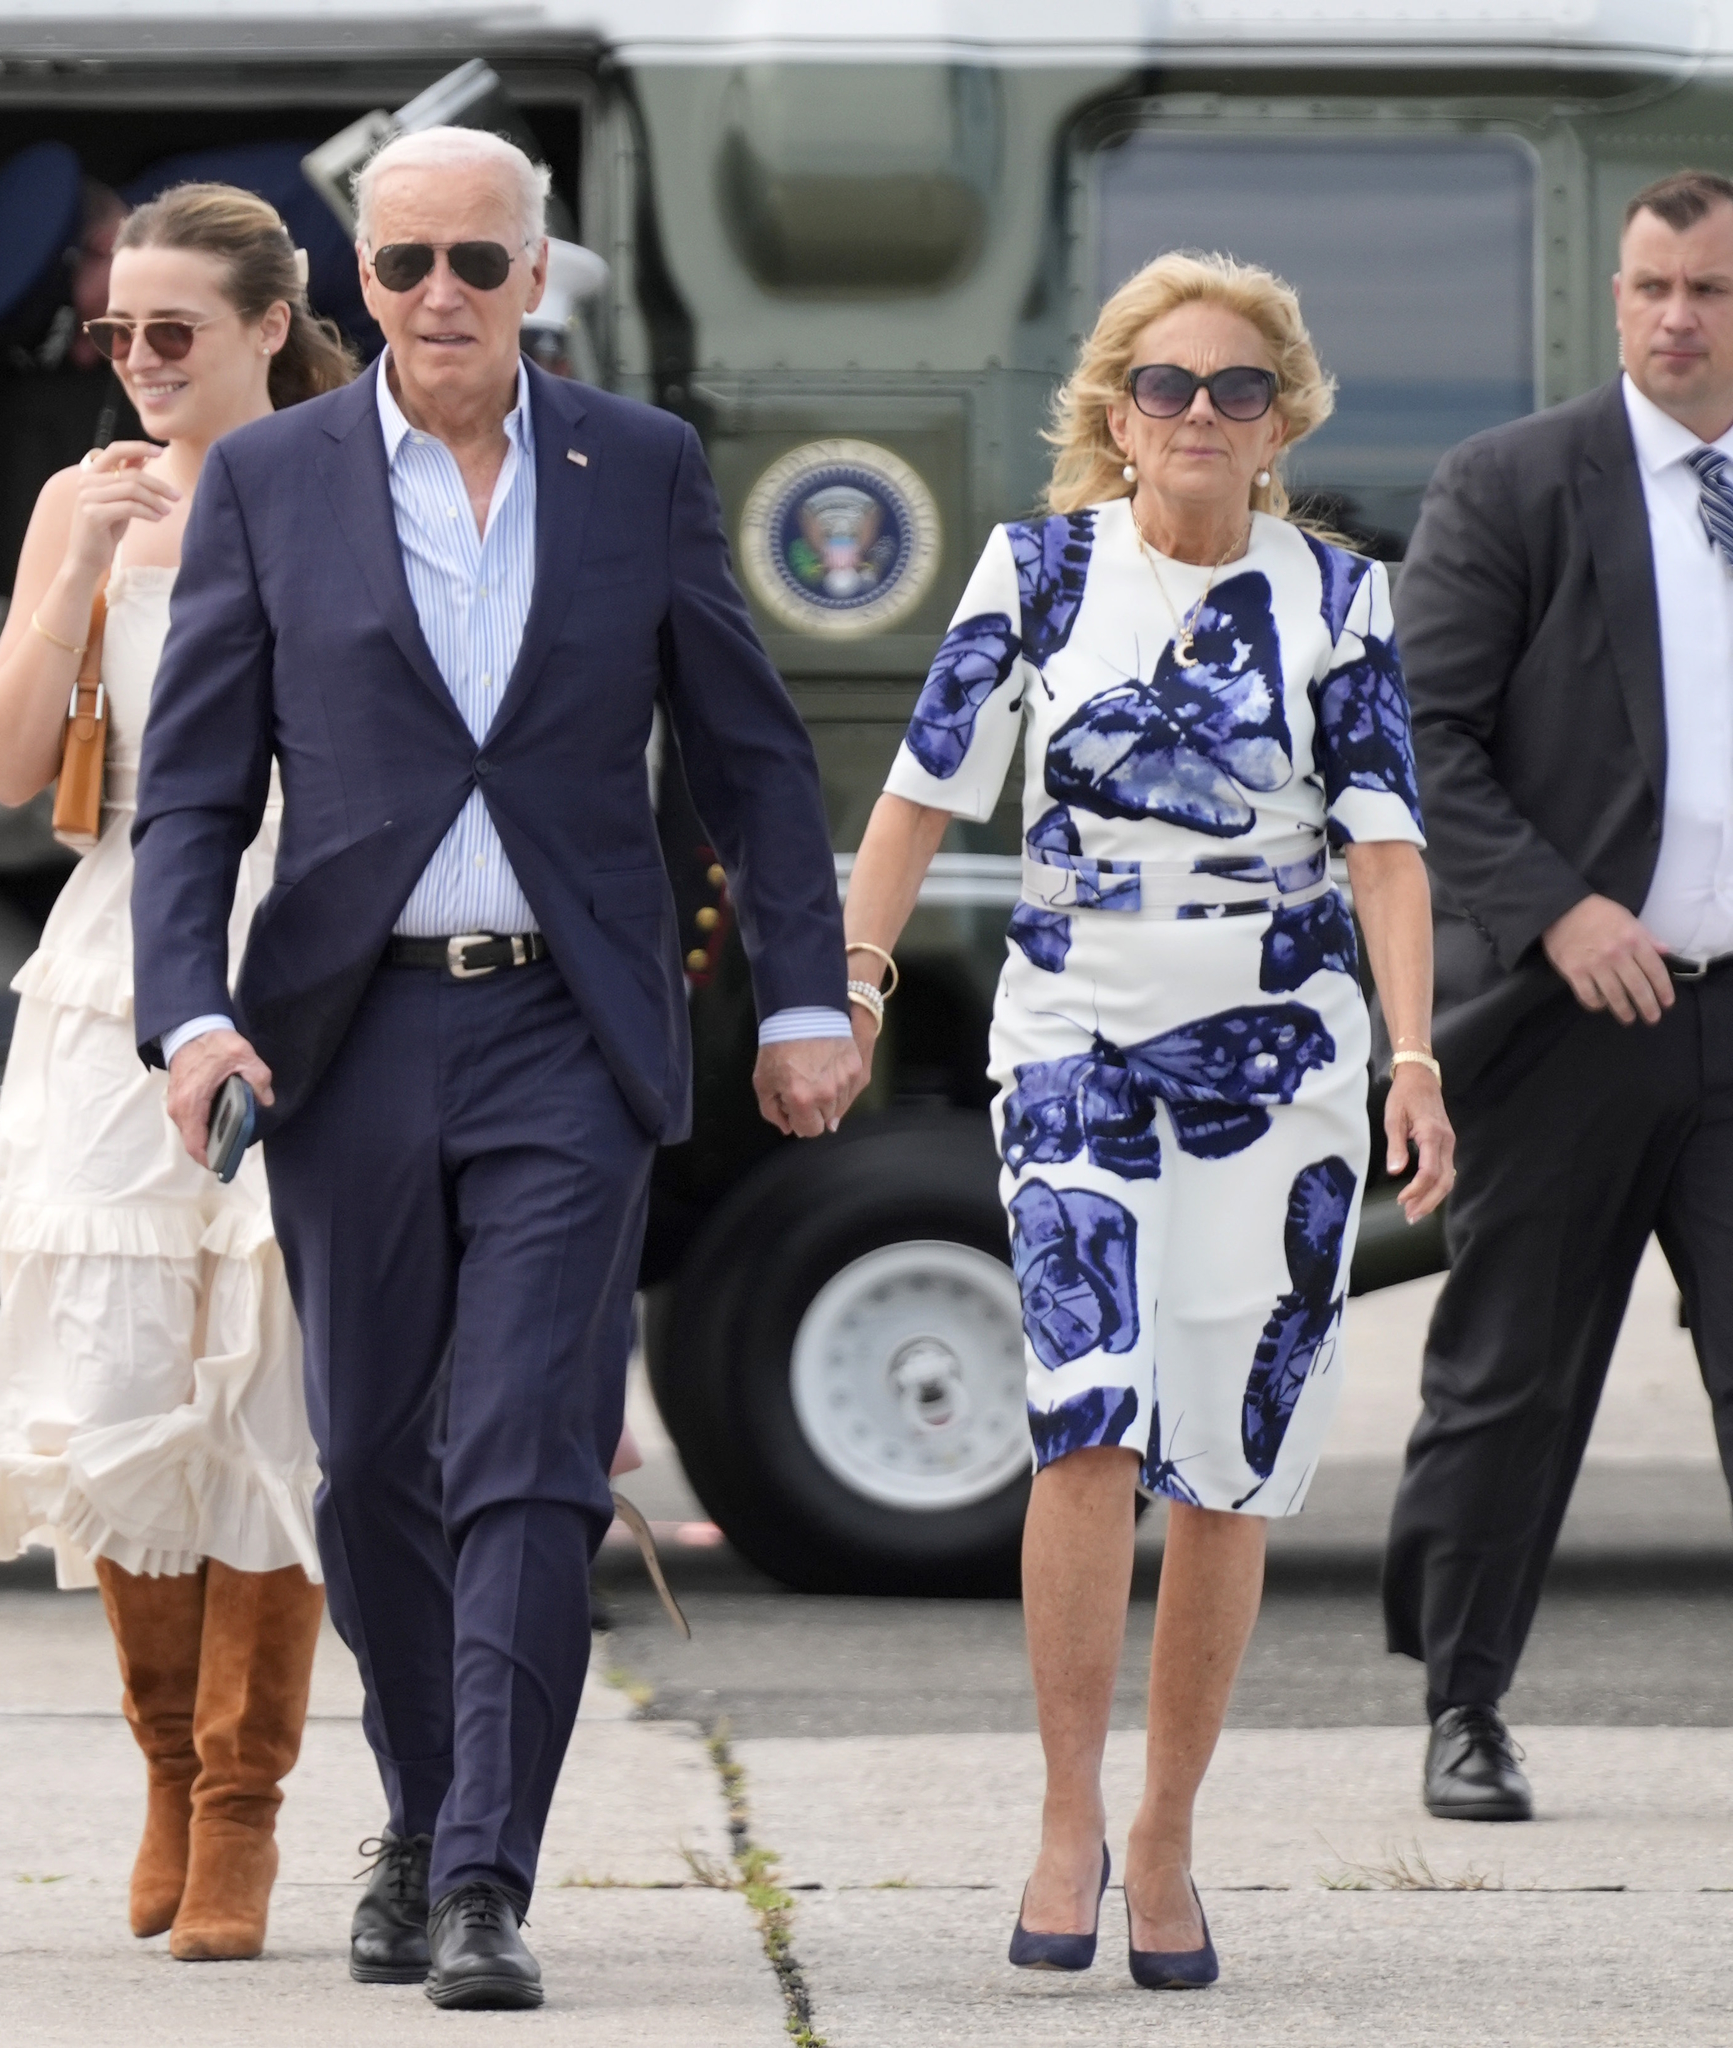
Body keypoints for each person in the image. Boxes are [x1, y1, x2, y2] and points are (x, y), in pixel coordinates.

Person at [132, 126, 860, 2011]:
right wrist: (186, 1011)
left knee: (530, 1455)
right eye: (401, 267)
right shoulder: (274, 480)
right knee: (376, 1458)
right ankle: (418, 1803)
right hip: (348, 1035)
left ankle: (478, 1878)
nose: (438, 297)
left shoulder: (643, 468)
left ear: (538, 275)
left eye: (476, 262)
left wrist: (801, 995)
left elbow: (751, 754)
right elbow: (197, 789)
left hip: (568, 1027)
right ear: (354, 284)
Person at [843, 251, 1454, 1989]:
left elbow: (1388, 847)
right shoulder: (1037, 573)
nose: (1200, 415)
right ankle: (1064, 1816)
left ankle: (1171, 1832)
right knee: (1086, 1425)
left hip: (1284, 1061)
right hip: (1074, 1042)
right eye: (1169, 387)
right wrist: (856, 986)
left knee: (1228, 1461)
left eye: (1237, 391)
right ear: (1118, 418)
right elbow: (914, 798)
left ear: (1281, 425)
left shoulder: (1341, 595)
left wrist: (1413, 1058)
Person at [0, 182, 351, 1964]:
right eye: (114, 334)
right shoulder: (81, 495)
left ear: (271, 326)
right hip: (119, 944)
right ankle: (163, 1778)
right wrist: (68, 580)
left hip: (303, 932)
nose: (137, 365)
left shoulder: (351, 472)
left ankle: (248, 1803)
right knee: (118, 1383)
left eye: (172, 335)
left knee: (268, 1383)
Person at [1387, 168, 1733, 1825]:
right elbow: (1422, 741)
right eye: (1653, 287)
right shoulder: (1513, 486)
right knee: (1513, 1377)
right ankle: (1464, 1708)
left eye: (1713, 291)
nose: (1678, 318)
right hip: (1575, 1017)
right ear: (1615, 295)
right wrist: (1561, 909)